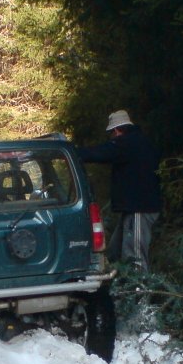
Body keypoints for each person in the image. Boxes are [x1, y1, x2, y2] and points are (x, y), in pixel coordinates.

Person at [77, 109, 162, 272]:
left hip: (139, 208)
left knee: (135, 257)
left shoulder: (126, 143)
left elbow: (99, 153)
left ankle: (139, 294)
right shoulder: (141, 142)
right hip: (136, 208)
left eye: (111, 133)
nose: (111, 137)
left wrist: (74, 152)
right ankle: (120, 289)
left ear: (116, 130)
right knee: (115, 251)